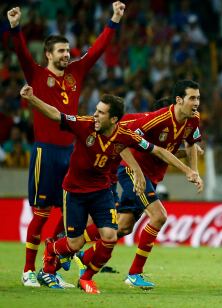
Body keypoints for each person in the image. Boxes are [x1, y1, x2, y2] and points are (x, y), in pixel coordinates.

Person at [19, 85, 199, 294]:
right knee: (76, 242)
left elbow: (157, 150)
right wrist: (32, 99)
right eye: (96, 111)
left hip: (102, 190)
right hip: (75, 190)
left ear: (113, 119)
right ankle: (55, 250)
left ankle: (86, 276)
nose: (95, 115)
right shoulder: (85, 124)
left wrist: (188, 170)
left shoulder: (124, 135)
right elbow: (55, 114)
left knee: (115, 234)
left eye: (101, 112)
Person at [7, 1, 125, 288]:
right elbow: (21, 52)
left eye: (67, 50)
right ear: (48, 54)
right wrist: (15, 27)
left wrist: (114, 19)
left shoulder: (76, 72)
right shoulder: (36, 74)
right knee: (41, 213)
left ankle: (51, 268)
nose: (66, 54)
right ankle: (27, 270)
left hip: (72, 153)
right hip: (45, 152)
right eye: (60, 51)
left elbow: (97, 50)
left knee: (68, 215)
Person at [79, 80, 204, 289]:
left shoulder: (193, 120)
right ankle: (134, 273)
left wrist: (195, 172)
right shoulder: (158, 119)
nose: (197, 102)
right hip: (132, 171)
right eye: (192, 98)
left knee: (123, 227)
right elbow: (122, 135)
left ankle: (77, 252)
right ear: (179, 100)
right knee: (159, 216)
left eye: (198, 98)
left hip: (152, 177)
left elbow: (190, 143)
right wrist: (186, 170)